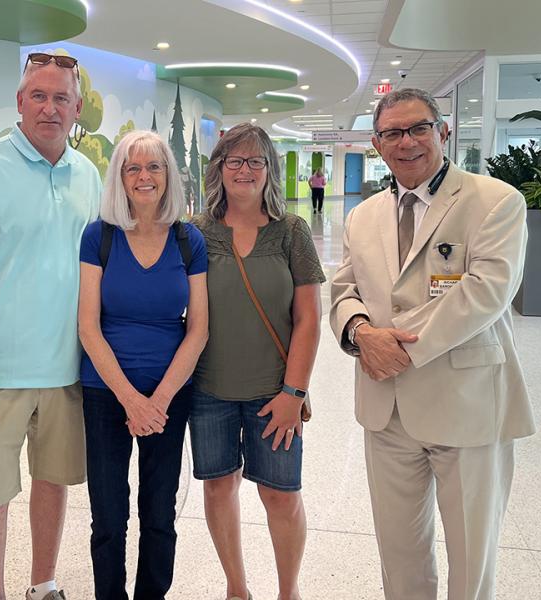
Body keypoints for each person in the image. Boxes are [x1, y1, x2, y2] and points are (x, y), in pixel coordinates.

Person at [330, 87, 536, 600]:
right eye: (392, 132)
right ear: (377, 144)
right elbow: (343, 289)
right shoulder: (363, 216)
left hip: (466, 406)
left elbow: (486, 293)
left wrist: (397, 347)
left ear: (443, 132)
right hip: (387, 411)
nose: (407, 142)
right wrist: (360, 334)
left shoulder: (495, 202)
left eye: (419, 127)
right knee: (400, 558)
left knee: (472, 558)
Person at [0, 52, 101, 600]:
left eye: (61, 98)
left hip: (67, 370)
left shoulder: (89, 175)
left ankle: (43, 583)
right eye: (39, 96)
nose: (50, 108)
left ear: (77, 108)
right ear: (20, 103)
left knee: (53, 482)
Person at [190, 123, 325, 600]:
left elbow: (309, 319)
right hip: (209, 392)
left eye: (255, 161)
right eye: (234, 161)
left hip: (276, 394)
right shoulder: (196, 233)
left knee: (281, 496)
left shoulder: (291, 233)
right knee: (217, 489)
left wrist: (294, 393)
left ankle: (289, 591)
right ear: (219, 169)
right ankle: (236, 588)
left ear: (268, 169)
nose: (244, 170)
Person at [78, 130, 209, 599]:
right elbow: (88, 327)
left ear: (169, 175)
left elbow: (198, 330)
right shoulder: (100, 236)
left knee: (159, 512)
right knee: (108, 515)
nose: (144, 176)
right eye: (132, 167)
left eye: (154, 166)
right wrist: (132, 400)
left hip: (169, 395)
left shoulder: (188, 239)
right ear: (119, 177)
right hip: (106, 392)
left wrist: (158, 401)